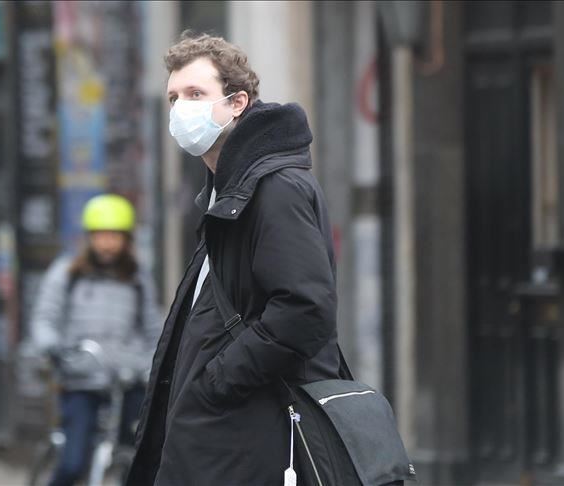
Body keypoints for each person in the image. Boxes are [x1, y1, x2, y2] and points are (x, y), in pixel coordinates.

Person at [126, 32, 342, 486]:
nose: (180, 109)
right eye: (173, 98)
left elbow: (305, 308)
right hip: (224, 436)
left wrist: (219, 380)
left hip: (251, 433)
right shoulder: (227, 192)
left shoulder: (275, 187)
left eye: (195, 94)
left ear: (237, 102)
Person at [31, 194, 161, 486]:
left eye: (115, 236)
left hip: (126, 382)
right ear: (89, 238)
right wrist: (51, 346)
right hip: (81, 381)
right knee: (73, 463)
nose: (107, 244)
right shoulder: (67, 274)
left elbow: (154, 331)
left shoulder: (138, 280)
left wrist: (147, 366)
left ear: (126, 240)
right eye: (101, 236)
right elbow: (45, 318)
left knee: (136, 462)